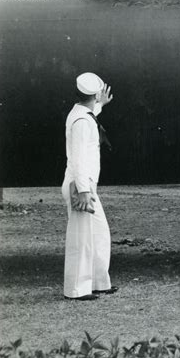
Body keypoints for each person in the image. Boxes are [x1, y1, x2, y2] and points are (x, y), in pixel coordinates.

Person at [61, 72, 117, 301]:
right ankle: (76, 290)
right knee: (81, 238)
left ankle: (98, 283)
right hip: (80, 186)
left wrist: (99, 105)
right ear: (94, 93)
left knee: (99, 234)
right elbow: (79, 159)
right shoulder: (83, 121)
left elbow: (90, 116)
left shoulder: (81, 114)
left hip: (85, 185)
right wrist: (84, 191)